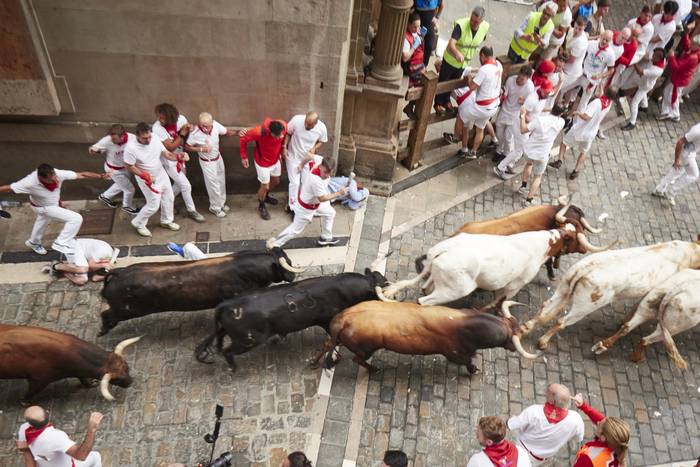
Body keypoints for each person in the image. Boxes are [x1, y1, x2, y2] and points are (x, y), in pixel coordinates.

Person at [0, 164, 107, 255]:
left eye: (54, 175)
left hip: (51, 205)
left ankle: (33, 242)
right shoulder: (28, 182)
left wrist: (100, 176)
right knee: (76, 218)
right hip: (42, 207)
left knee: (42, 221)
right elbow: (8, 188)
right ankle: (61, 243)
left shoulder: (58, 173)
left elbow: (82, 174)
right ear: (41, 178)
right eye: (50, 178)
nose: (54, 179)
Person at [267, 155, 347, 248]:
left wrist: (301, 164)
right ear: (321, 167)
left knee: (330, 212)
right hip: (305, 208)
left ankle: (326, 237)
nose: (327, 175)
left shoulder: (320, 160)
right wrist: (339, 193)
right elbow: (322, 198)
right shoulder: (316, 181)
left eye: (329, 173)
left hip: (314, 202)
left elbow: (309, 155)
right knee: (295, 230)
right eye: (325, 172)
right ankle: (275, 245)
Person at [123, 122, 184, 237]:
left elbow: (166, 153)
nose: (148, 140)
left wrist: (178, 156)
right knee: (153, 205)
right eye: (144, 138)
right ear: (137, 136)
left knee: (169, 197)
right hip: (147, 179)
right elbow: (129, 166)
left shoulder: (155, 138)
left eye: (149, 136)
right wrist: (144, 175)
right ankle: (138, 223)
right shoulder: (130, 148)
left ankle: (166, 221)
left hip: (161, 173)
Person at [507, 383, 585, 465]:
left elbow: (511, 424)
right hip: (539, 458)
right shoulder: (576, 420)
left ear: (552, 401)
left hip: (520, 448)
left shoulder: (534, 412)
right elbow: (578, 438)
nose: (546, 391)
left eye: (548, 391)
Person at [152, 103, 205, 223]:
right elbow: (170, 147)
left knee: (179, 184)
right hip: (169, 159)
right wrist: (182, 134)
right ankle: (191, 211)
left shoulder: (181, 119)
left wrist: (190, 130)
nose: (159, 120)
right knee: (186, 185)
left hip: (181, 155)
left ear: (170, 117)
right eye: (158, 117)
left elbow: (186, 136)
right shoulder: (157, 128)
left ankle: (164, 202)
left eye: (162, 117)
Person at [447, 46, 503, 159]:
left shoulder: (485, 69)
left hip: (482, 105)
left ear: (482, 55)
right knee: (480, 128)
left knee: (461, 116)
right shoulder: (499, 65)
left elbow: (472, 86)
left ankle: (456, 136)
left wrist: (469, 79)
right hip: (493, 106)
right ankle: (473, 152)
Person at [552, 87, 616, 179]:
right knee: (584, 152)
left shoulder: (596, 103)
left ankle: (560, 160)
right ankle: (576, 170)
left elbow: (586, 117)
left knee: (564, 142)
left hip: (581, 129)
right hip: (591, 133)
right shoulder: (609, 103)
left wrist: (577, 113)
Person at [434, 7, 489, 113]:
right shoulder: (461, 25)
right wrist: (457, 53)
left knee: (453, 83)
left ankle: (446, 101)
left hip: (463, 63)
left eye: (476, 22)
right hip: (451, 60)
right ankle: (438, 103)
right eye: (471, 20)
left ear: (481, 21)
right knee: (443, 82)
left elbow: (480, 39)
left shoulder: (484, 27)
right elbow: (451, 43)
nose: (472, 23)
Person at [494, 84, 551, 178]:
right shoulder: (532, 100)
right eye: (546, 92)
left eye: (549, 92)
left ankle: (508, 164)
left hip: (526, 127)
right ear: (541, 89)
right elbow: (524, 115)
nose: (547, 94)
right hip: (521, 126)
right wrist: (534, 123)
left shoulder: (544, 96)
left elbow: (539, 109)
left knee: (518, 149)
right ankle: (500, 167)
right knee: (519, 150)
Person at [16, 406, 104, 467]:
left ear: (30, 423)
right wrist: (91, 430)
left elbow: (28, 457)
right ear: (47, 412)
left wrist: (26, 451)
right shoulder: (56, 437)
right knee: (96, 456)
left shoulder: (23, 429)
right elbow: (81, 456)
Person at [185, 112, 234, 217]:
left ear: (212, 123)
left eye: (206, 125)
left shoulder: (216, 125)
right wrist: (201, 149)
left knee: (221, 181)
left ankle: (221, 203)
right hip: (207, 162)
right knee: (213, 186)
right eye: (202, 125)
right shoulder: (195, 133)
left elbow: (226, 132)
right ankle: (215, 208)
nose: (204, 128)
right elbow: (187, 147)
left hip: (218, 158)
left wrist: (240, 133)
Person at [239, 118, 288, 220]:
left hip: (275, 160)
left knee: (276, 181)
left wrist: (283, 148)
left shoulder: (284, 126)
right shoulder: (258, 132)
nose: (279, 137)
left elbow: (287, 134)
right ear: (270, 131)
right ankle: (261, 205)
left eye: (280, 134)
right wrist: (244, 156)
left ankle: (265, 196)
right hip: (262, 163)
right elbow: (243, 139)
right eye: (276, 136)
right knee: (265, 186)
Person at [559, 30, 616, 114]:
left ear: (610, 41)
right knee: (563, 88)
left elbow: (611, 70)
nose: (604, 41)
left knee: (583, 104)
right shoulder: (592, 44)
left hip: (591, 81)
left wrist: (600, 75)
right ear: (601, 36)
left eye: (607, 40)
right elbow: (583, 44)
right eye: (603, 38)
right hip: (582, 73)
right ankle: (559, 107)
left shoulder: (610, 54)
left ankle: (574, 122)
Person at [518, 106, 565, 205]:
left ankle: (523, 186)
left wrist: (522, 116)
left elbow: (523, 129)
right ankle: (529, 199)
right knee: (537, 177)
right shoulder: (561, 122)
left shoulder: (539, 120)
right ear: (561, 114)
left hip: (530, 151)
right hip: (542, 154)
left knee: (528, 164)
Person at [89, 124, 139, 215]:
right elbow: (92, 149)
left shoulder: (133, 139)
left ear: (123, 136)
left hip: (127, 168)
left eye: (114, 139)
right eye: (111, 138)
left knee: (122, 185)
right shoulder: (107, 140)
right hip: (113, 170)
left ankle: (105, 196)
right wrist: (93, 150)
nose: (112, 141)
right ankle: (127, 206)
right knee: (129, 189)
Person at [283, 111, 328, 213]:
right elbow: (288, 133)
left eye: (309, 125)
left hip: (307, 159)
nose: (306, 125)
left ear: (316, 123)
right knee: (294, 183)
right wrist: (284, 147)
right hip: (293, 156)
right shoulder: (296, 119)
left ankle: (301, 204)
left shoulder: (322, 128)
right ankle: (293, 208)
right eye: (305, 123)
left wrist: (314, 148)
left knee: (305, 183)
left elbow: (322, 141)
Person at [572, 394, 631, 467]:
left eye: (599, 424)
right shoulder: (617, 445)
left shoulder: (588, 458)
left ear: (603, 437)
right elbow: (601, 420)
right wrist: (583, 405)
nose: (598, 422)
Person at [652, 122, 700, 205]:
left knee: (677, 171)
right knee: (694, 175)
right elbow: (680, 142)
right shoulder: (697, 131)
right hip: (687, 155)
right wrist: (676, 160)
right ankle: (671, 191)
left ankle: (659, 189)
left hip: (690, 152)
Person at [621, 48, 666, 130]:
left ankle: (632, 122)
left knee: (634, 103)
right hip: (644, 82)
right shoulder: (662, 60)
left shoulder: (656, 70)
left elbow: (640, 72)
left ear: (659, 57)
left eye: (654, 56)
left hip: (645, 85)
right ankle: (644, 106)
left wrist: (635, 61)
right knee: (643, 92)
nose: (652, 56)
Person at [658, 33, 700, 122]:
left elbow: (676, 67)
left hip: (680, 79)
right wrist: (685, 35)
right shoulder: (694, 51)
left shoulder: (693, 57)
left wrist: (672, 57)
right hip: (680, 78)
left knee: (672, 96)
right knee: (671, 94)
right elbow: (687, 46)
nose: (691, 44)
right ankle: (672, 113)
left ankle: (671, 113)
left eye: (694, 44)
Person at [495, 66, 535, 159]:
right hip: (505, 109)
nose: (519, 80)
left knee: (508, 137)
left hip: (515, 115)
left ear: (527, 79)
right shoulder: (510, 80)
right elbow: (505, 92)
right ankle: (499, 149)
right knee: (499, 133)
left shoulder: (530, 87)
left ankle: (506, 154)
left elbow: (530, 104)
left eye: (522, 79)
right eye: (519, 77)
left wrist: (524, 102)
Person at [44, 238, 119, 285]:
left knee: (82, 277)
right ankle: (56, 266)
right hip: (75, 248)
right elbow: (90, 265)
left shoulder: (109, 259)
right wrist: (102, 266)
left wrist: (107, 274)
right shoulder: (103, 254)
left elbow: (95, 278)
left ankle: (63, 270)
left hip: (83, 254)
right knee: (82, 274)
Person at [466, 416, 531, 467]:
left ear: (489, 442)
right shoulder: (522, 453)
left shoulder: (477, 462)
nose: (476, 435)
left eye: (478, 435)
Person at [558, 17, 589, 106]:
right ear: (574, 23)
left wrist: (560, 57)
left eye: (580, 29)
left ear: (584, 28)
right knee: (563, 90)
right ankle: (564, 105)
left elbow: (571, 60)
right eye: (576, 27)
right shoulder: (571, 31)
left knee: (559, 89)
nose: (577, 30)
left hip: (571, 72)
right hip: (564, 64)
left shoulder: (581, 42)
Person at [402, 12, 428, 118]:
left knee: (424, 86)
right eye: (414, 26)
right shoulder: (406, 38)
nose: (417, 29)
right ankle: (410, 106)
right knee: (423, 86)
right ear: (408, 24)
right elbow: (405, 57)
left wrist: (421, 37)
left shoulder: (416, 33)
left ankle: (411, 106)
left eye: (419, 26)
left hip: (419, 64)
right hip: (412, 66)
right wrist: (414, 46)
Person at [413, 0, 444, 66]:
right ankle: (412, 65)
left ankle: (424, 66)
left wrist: (436, 17)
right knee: (416, 44)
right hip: (418, 24)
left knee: (429, 46)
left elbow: (441, 6)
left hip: (429, 24)